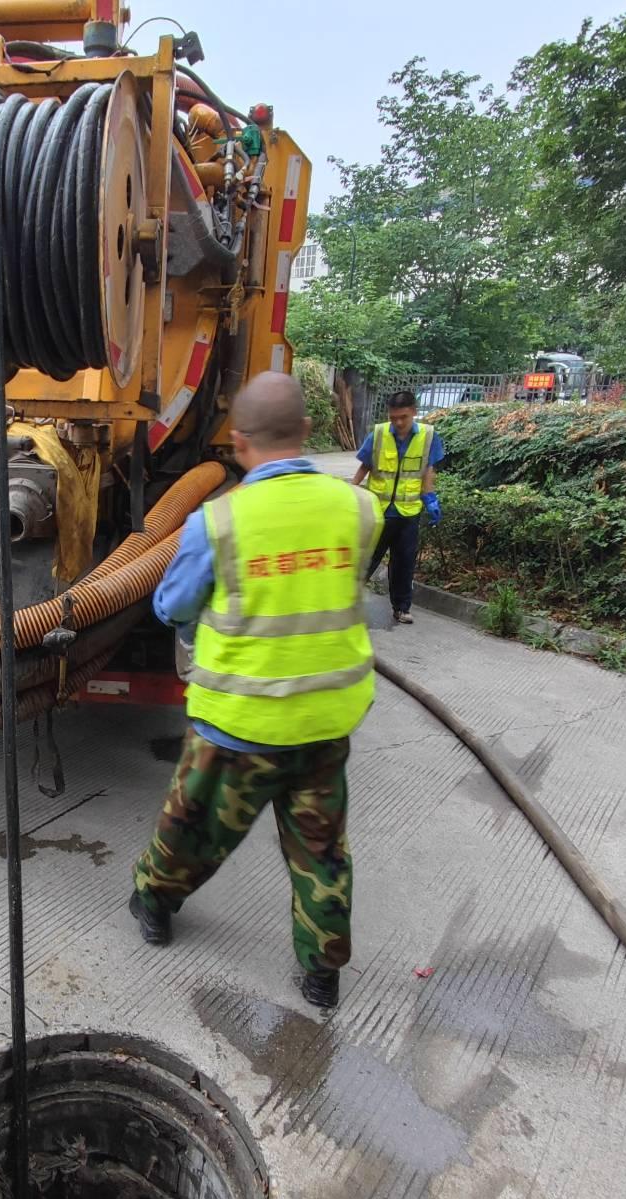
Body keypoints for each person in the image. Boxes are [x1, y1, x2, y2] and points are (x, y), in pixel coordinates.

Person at [128, 372, 381, 1009]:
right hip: (325, 723)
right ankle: (322, 973)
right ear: (306, 433)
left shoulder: (218, 522)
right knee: (321, 852)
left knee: (191, 828)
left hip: (236, 725)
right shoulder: (359, 509)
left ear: (238, 443)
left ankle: (154, 905)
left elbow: (171, 605)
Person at [352, 390, 445, 624]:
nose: (398, 422)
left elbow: (428, 470)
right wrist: (351, 490)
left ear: (414, 412)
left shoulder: (428, 436)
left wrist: (430, 496)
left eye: (403, 417)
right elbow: (365, 465)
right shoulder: (380, 433)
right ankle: (347, 603)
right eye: (393, 417)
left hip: (408, 513)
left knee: (404, 563)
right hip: (378, 511)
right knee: (366, 559)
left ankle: (401, 608)